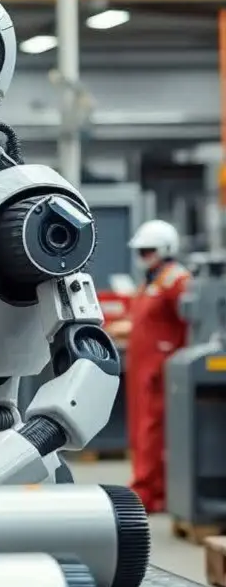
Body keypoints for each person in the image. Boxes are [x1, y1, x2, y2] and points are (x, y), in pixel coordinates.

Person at [109, 219, 190, 513]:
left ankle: (148, 489)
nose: (144, 257)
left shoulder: (176, 281)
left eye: (149, 250)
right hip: (142, 369)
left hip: (160, 369)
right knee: (143, 430)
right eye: (141, 251)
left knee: (153, 431)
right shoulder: (151, 283)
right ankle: (150, 489)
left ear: (166, 249)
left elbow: (190, 320)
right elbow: (146, 322)